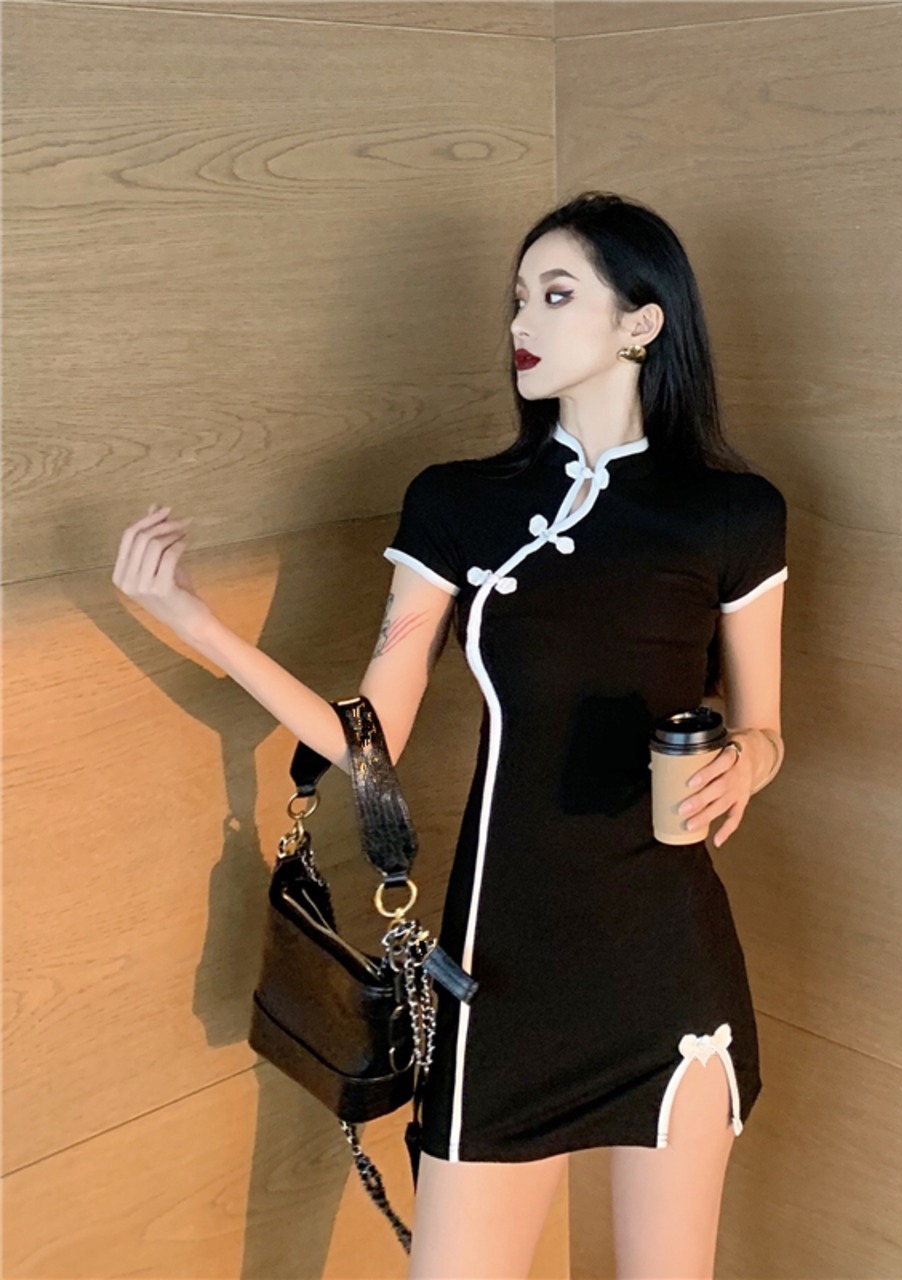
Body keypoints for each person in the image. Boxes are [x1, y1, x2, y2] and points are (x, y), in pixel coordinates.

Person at [113, 190, 787, 1279]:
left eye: (555, 294)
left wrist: (749, 760)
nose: (520, 319)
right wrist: (198, 625)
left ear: (641, 321)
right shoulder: (457, 504)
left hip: (668, 967)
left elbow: (764, 724)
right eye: (516, 297)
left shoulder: (733, 513)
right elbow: (366, 741)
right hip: (500, 977)